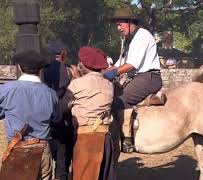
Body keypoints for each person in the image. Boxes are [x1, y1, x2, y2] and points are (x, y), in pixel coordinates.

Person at [103, 4, 164, 152]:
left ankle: (127, 140)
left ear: (130, 22)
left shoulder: (142, 35)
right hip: (138, 78)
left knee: (119, 100)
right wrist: (102, 71)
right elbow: (120, 63)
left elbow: (132, 65)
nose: (118, 28)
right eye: (117, 25)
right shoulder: (129, 39)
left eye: (120, 24)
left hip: (149, 77)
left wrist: (112, 73)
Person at [0, 50, 60, 180]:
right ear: (40, 70)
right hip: (43, 149)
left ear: (20, 68)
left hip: (18, 149)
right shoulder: (50, 93)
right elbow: (57, 118)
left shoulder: (6, 89)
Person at [61, 46, 116, 180]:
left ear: (82, 64)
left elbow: (63, 108)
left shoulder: (77, 84)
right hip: (106, 138)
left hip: (87, 138)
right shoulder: (109, 85)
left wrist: (74, 80)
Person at [42, 40, 73, 180]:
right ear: (62, 55)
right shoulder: (66, 70)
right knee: (62, 164)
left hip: (45, 123)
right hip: (63, 120)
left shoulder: (41, 70)